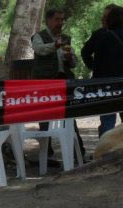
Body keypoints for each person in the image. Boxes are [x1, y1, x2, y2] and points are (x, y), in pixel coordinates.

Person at [32, 8, 85, 158]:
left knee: (69, 117)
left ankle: (78, 152)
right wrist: (54, 45)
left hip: (63, 81)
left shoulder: (66, 38)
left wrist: (70, 58)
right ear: (48, 20)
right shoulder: (38, 36)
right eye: (57, 19)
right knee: (44, 118)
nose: (60, 23)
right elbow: (39, 49)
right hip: (45, 82)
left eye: (62, 20)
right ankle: (46, 155)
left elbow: (74, 63)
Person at [81, 4, 123, 137]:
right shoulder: (101, 34)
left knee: (107, 122)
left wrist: (95, 68)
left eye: (106, 17)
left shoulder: (101, 37)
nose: (103, 19)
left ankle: (105, 154)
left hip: (105, 85)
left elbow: (87, 53)